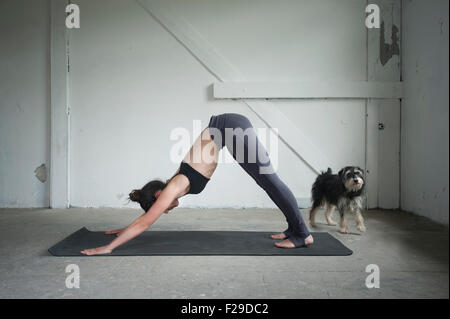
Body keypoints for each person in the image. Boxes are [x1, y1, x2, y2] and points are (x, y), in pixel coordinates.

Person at [81, 113, 313, 255]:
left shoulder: (174, 185)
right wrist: (124, 229)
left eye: (163, 205)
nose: (167, 209)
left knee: (270, 180)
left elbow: (146, 222)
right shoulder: (174, 182)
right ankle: (294, 228)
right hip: (229, 128)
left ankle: (302, 234)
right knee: (266, 182)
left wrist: (108, 247)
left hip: (230, 126)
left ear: (159, 194)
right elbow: (148, 216)